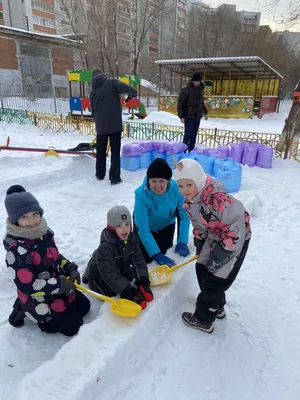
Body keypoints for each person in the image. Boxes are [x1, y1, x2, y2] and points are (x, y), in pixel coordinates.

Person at [174, 159, 251, 334]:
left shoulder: (217, 199)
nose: (184, 190)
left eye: (188, 184)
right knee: (202, 268)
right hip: (215, 234)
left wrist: (222, 252)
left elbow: (236, 226)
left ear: (199, 181)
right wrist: (200, 241)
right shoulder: (192, 201)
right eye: (180, 185)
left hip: (235, 239)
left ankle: (203, 319)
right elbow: (199, 224)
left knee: (216, 279)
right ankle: (216, 306)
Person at [3, 185, 90, 336]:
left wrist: (69, 267)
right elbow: (27, 285)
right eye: (24, 217)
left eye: (35, 213)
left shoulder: (45, 233)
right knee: (73, 326)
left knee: (84, 306)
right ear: (15, 220)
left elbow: (54, 256)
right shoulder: (17, 250)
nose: (32, 220)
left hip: (55, 287)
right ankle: (23, 308)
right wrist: (59, 285)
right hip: (36, 296)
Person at [83, 206, 153, 310]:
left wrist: (143, 281)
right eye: (119, 226)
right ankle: (87, 275)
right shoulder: (106, 247)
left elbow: (139, 261)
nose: (124, 228)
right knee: (114, 294)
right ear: (112, 228)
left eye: (127, 224)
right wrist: (127, 291)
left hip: (120, 268)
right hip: (99, 277)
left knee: (132, 276)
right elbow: (110, 273)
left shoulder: (132, 239)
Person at [134, 158, 190, 267]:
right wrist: (155, 253)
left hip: (167, 224)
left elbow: (184, 216)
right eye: (154, 181)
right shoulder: (141, 195)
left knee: (166, 252)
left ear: (168, 181)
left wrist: (182, 240)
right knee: (145, 257)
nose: (158, 186)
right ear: (148, 180)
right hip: (146, 226)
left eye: (162, 181)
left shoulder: (176, 189)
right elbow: (142, 227)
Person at [90, 69, 137, 185]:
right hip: (114, 126)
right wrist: (133, 92)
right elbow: (130, 90)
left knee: (100, 151)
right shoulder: (112, 82)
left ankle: (100, 174)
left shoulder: (93, 91)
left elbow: (92, 111)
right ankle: (115, 178)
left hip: (100, 127)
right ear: (103, 74)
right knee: (115, 153)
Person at [177, 72, 208, 153]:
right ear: (192, 81)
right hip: (188, 117)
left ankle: (191, 151)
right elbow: (180, 103)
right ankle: (183, 152)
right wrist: (181, 116)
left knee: (194, 135)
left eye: (198, 81)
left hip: (197, 117)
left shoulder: (200, 90)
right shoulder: (186, 90)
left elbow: (201, 103)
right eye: (195, 81)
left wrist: (205, 112)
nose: (197, 83)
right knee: (187, 135)